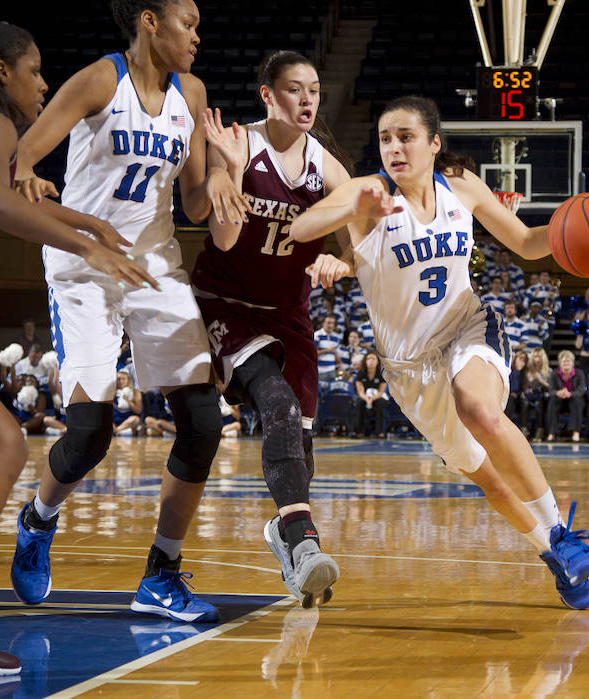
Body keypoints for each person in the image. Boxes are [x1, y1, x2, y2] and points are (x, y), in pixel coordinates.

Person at [0, 4, 153, 678]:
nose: (44, 85)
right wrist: (82, 243)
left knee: (0, 444)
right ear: (1, 70)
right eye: (35, 72)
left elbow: (21, 196)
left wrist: (88, 225)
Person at [289, 94, 589, 610]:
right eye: (385, 139)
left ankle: (560, 534)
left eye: (406, 137)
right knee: (490, 481)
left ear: (434, 144)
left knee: (478, 407)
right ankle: (555, 559)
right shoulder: (368, 194)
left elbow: (527, 242)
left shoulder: (460, 186)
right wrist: (350, 211)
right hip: (410, 371)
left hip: (467, 327)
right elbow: (303, 228)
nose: (394, 147)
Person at [8, 0, 249, 623]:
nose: (197, 35)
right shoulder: (100, 80)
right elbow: (22, 158)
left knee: (201, 420)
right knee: (90, 432)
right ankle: (38, 518)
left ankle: (161, 575)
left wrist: (222, 173)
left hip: (155, 266)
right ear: (149, 21)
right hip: (84, 266)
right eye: (187, 23)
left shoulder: (190, 92)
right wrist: (31, 179)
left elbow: (194, 201)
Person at [191, 50, 353, 607]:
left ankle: (282, 535)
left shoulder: (329, 170)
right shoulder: (237, 145)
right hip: (228, 304)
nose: (306, 100)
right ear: (267, 95)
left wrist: (343, 262)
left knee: (300, 439)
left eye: (313, 90)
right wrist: (229, 172)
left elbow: (360, 248)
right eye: (293, 90)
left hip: (289, 312)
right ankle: (305, 543)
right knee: (277, 405)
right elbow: (225, 239)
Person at [546, 349, 586, 443]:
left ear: (573, 363)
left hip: (573, 399)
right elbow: (550, 390)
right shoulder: (554, 374)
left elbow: (581, 391)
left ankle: (576, 432)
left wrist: (570, 394)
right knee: (552, 401)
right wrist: (558, 393)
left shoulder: (579, 373)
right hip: (559, 399)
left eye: (569, 361)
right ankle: (552, 432)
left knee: (577, 401)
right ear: (560, 363)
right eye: (564, 361)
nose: (566, 363)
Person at [352, 351, 388, 438]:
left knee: (380, 403)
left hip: (378, 396)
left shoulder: (382, 374)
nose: (371, 361)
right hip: (365, 396)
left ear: (377, 361)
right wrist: (367, 399)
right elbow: (360, 392)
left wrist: (372, 399)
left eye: (373, 359)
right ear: (365, 361)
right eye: (368, 359)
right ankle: (358, 431)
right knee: (359, 402)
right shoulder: (360, 373)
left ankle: (379, 432)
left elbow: (381, 392)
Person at [520, 348, 550, 441]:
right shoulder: (527, 370)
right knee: (524, 404)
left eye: (539, 356)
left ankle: (540, 431)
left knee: (538, 405)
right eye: (535, 356)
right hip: (529, 394)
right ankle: (524, 430)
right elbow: (523, 387)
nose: (537, 359)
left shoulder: (548, 370)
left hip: (541, 395)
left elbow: (551, 387)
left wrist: (541, 380)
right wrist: (530, 380)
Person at [314, 313, 344, 381]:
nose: (331, 325)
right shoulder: (316, 335)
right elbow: (313, 354)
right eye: (328, 323)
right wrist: (327, 350)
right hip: (320, 371)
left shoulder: (336, 337)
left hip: (332, 370)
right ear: (323, 323)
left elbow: (336, 353)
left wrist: (340, 363)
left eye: (333, 323)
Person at [113, 369, 143, 435]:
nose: (120, 381)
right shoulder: (111, 392)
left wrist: (128, 401)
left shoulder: (136, 392)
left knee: (136, 419)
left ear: (128, 380)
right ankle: (120, 432)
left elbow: (138, 411)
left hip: (128, 421)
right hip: (114, 420)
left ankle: (116, 431)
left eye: (123, 379)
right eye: (118, 379)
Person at [506, 350, 529, 424]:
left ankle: (524, 427)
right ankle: (506, 423)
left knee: (524, 402)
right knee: (511, 398)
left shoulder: (524, 374)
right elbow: (513, 388)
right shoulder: (509, 371)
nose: (522, 362)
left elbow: (520, 389)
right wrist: (517, 371)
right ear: (515, 359)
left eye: (524, 360)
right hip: (508, 396)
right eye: (520, 359)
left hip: (518, 398)